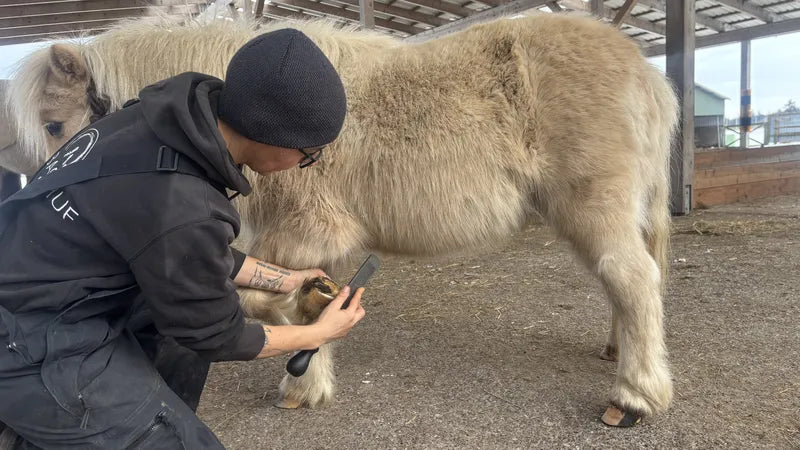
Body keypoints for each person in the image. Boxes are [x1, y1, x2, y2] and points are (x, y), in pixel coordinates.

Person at [0, 29, 365, 449]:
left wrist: (286, 279)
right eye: (309, 154)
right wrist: (317, 334)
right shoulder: (180, 199)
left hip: (44, 296)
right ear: (271, 135)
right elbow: (218, 335)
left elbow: (187, 255)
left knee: (174, 340)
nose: (307, 163)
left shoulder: (151, 124)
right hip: (29, 343)